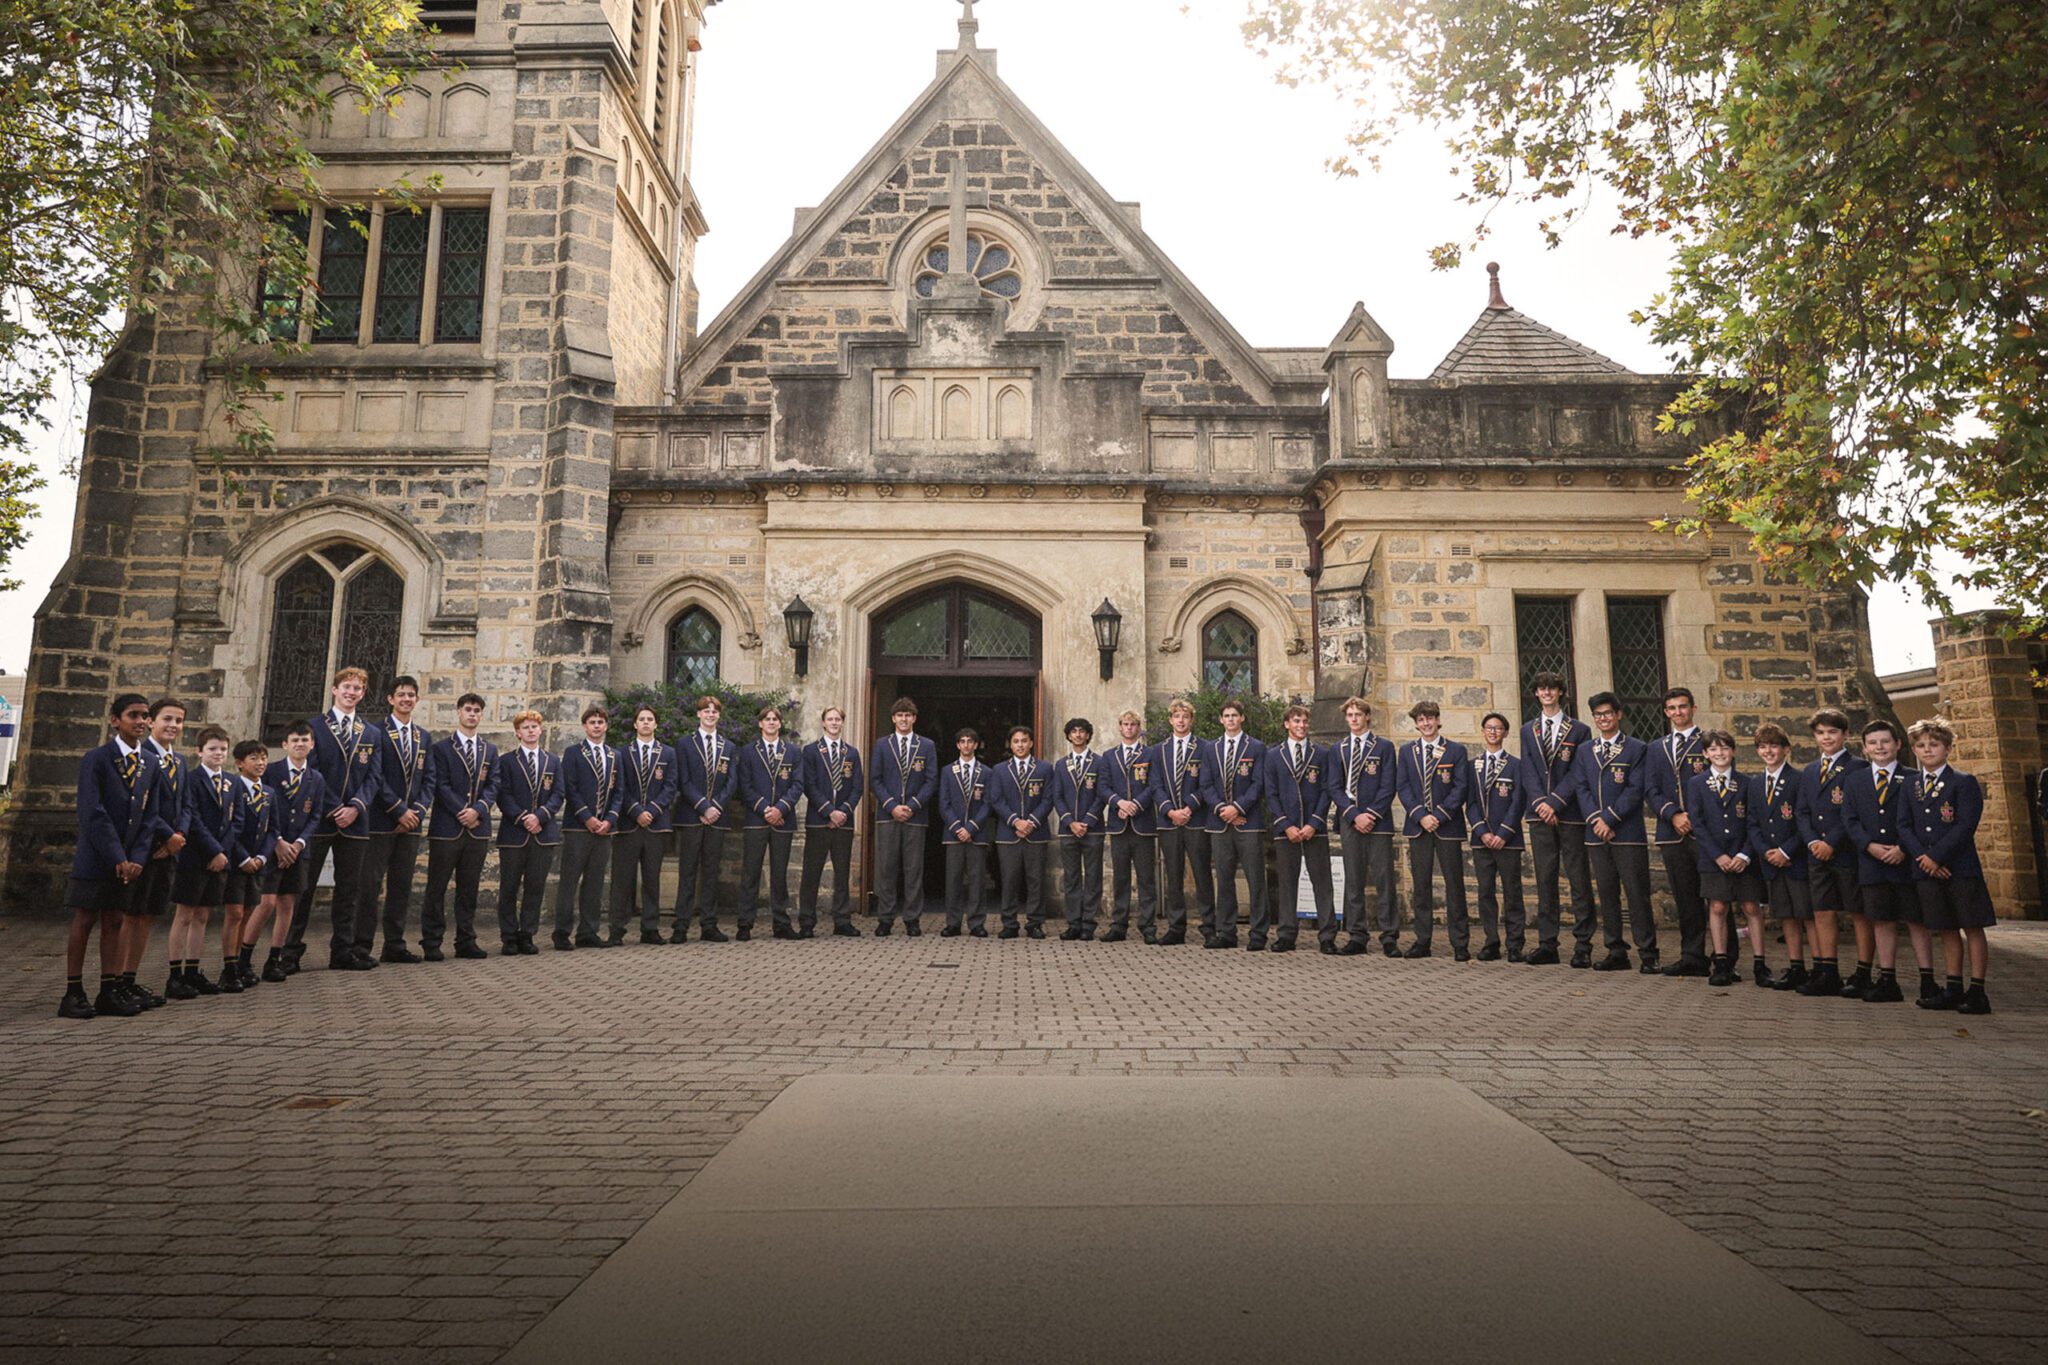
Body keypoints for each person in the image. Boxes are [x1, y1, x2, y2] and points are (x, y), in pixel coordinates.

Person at [58, 694, 160, 1020]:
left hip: (130, 859)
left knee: (115, 920)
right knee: (86, 918)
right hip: (98, 854)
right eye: (134, 715)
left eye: (145, 716)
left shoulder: (150, 763)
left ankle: (109, 988)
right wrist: (117, 854)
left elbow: (150, 815)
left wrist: (138, 858)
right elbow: (93, 811)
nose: (141, 721)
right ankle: (73, 991)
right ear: (115, 720)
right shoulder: (98, 758)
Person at [290, 667, 386, 973]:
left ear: (363, 693)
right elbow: (312, 771)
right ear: (334, 689)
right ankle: (290, 951)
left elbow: (374, 775)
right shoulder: (316, 727)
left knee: (349, 889)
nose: (351, 692)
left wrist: (356, 806)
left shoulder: (371, 733)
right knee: (303, 887)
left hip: (356, 821)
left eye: (357, 688)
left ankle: (342, 951)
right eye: (346, 687)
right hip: (320, 819)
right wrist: (335, 808)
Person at [1902, 719, 1994, 1015]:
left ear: (1948, 748)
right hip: (1926, 869)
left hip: (1959, 868)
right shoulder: (1912, 784)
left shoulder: (1963, 782)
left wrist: (1938, 857)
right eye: (1921, 745)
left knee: (1972, 926)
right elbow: (1903, 825)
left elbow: (1965, 825)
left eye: (1934, 744)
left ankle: (1977, 989)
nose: (1927, 750)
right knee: (1946, 928)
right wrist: (1924, 858)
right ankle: (1953, 986)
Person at [1841, 719, 1935, 1003]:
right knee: (1881, 921)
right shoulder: (1855, 780)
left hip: (1905, 860)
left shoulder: (1912, 778)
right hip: (1872, 861)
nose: (1879, 747)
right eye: (1873, 743)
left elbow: (1921, 820)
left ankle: (1928, 980)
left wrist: (1903, 848)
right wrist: (1869, 846)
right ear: (1865, 748)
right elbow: (1850, 819)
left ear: (1897, 745)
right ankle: (1887, 979)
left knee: (1915, 920)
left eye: (1885, 742)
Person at [1570, 694, 1656, 972]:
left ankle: (1648, 952)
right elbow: (1581, 787)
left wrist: (1610, 818)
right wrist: (1596, 819)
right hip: (1596, 834)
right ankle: (1615, 950)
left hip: (1627, 833)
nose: (1603, 718)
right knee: (1607, 894)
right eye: (1598, 714)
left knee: (1636, 894)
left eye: (1607, 713)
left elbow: (1635, 788)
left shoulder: (1637, 748)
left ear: (1618, 715)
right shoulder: (1585, 751)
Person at [1519, 673, 1597, 966]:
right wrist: (1541, 803)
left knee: (1578, 879)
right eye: (1542, 689)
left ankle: (1583, 944)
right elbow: (1527, 769)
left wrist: (1556, 802)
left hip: (1570, 813)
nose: (1547, 692)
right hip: (1539, 815)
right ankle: (1547, 943)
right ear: (1536, 694)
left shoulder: (1579, 730)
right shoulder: (1529, 729)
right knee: (1545, 879)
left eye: (1552, 688)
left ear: (1561, 692)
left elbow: (1580, 771)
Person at [1793, 708, 1866, 998]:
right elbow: (1801, 812)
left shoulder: (1857, 768)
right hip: (1816, 853)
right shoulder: (1810, 770)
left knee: (1858, 913)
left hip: (1845, 851)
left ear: (1845, 734)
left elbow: (1853, 811)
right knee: (1822, 911)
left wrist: (1831, 842)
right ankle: (1828, 970)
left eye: (1832, 732)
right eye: (1821, 733)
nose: (1827, 738)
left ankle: (1863, 970)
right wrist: (1812, 842)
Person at [243, 723, 325, 980]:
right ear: (285, 745)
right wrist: (278, 841)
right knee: (266, 903)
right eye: (295, 740)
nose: (300, 744)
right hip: (272, 847)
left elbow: (316, 815)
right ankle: (243, 959)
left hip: (299, 851)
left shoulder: (316, 778)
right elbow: (264, 809)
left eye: (305, 740)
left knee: (288, 904)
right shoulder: (271, 772)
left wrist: (299, 844)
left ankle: (273, 959)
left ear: (312, 745)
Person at [121, 697, 188, 1009]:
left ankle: (131, 978)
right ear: (151, 722)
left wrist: (179, 836)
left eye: (178, 721)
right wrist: (166, 835)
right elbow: (142, 803)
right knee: (131, 916)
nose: (172, 726)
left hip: (170, 849)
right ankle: (117, 980)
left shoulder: (181, 761)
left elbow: (185, 805)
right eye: (167, 719)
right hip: (146, 847)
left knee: (147, 916)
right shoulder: (142, 755)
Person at [165, 726, 241, 1001]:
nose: (218, 754)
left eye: (222, 749)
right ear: (200, 751)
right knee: (184, 914)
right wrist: (212, 851)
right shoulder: (192, 779)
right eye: (212, 749)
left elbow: (237, 821)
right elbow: (193, 818)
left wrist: (222, 852)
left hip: (219, 859)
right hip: (195, 856)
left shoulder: (232, 782)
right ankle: (175, 974)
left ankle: (193, 970)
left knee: (203, 915)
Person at [1688, 729, 1768, 988]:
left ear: (1733, 751)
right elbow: (1697, 824)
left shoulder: (1748, 783)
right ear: (1705, 754)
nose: (1719, 753)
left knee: (1751, 907)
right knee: (1718, 907)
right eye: (1713, 749)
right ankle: (1721, 962)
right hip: (1714, 858)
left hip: (1744, 856)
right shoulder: (1697, 784)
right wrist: (1718, 855)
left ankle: (1760, 963)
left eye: (1724, 748)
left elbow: (1754, 822)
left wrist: (1745, 854)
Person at [1395, 700, 1471, 960]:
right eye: (1421, 719)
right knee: (1421, 886)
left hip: (1447, 826)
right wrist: (1420, 816)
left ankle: (1460, 943)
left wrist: (1438, 815)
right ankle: (1422, 941)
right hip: (1418, 827)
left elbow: (1460, 787)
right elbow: (1402, 787)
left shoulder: (1456, 750)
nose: (1426, 723)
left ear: (1438, 720)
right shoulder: (1406, 752)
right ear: (1416, 723)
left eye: (1430, 718)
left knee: (1454, 885)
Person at [421, 695, 495, 960]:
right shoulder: (442, 748)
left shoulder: (489, 750)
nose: (472, 714)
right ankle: (431, 941)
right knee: (437, 887)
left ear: (481, 715)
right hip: (447, 827)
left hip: (477, 829)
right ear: (458, 712)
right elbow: (438, 784)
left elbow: (493, 785)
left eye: (477, 710)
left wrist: (479, 810)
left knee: (469, 887)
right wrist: (461, 811)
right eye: (468, 710)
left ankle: (466, 940)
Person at [364, 676, 431, 964]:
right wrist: (397, 809)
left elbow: (429, 779)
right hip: (381, 821)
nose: (406, 699)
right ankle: (361, 945)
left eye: (411, 695)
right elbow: (375, 777)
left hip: (411, 824)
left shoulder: (423, 736)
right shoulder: (376, 732)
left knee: (401, 885)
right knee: (369, 885)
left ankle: (394, 944)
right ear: (390, 699)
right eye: (401, 694)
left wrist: (417, 811)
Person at [1645, 687, 1710, 977]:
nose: (1677, 713)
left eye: (1682, 707)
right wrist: (1673, 815)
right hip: (1672, 832)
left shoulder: (1709, 742)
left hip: (1704, 833)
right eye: (1671, 708)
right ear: (1666, 712)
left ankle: (1724, 957)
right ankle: (1692, 955)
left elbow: (1716, 785)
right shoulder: (1657, 747)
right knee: (1685, 898)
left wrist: (1693, 818)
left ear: (1693, 708)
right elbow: (1652, 789)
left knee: (1718, 899)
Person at [1262, 704, 1336, 954]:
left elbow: (1327, 791)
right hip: (1287, 830)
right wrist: (1286, 824)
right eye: (1296, 721)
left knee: (1322, 883)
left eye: (1304, 721)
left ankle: (1327, 935)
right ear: (1287, 724)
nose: (1301, 725)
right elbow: (1271, 794)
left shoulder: (1321, 754)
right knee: (1286, 883)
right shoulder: (1273, 756)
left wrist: (1314, 823)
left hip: (1314, 829)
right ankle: (1286, 934)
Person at [1332, 697, 1398, 957]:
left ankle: (1389, 936)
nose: (1354, 719)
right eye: (1350, 715)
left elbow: (1388, 784)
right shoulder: (1339, 748)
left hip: (1377, 822)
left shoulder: (1383, 747)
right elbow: (1333, 786)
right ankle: (1357, 935)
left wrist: (1369, 814)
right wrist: (1352, 814)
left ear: (1368, 717)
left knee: (1384, 880)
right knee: (1353, 880)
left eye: (1358, 714)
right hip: (1350, 821)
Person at [1748, 725, 1812, 992]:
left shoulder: (1799, 780)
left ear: (1786, 749)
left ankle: (1821, 966)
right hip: (1771, 860)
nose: (1768, 751)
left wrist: (1786, 851)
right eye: (1763, 747)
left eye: (1774, 746)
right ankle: (1796, 965)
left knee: (1807, 914)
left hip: (1794, 858)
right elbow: (1752, 823)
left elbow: (1803, 820)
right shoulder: (1754, 783)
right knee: (1785, 915)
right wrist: (1766, 851)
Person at [1199, 700, 1267, 950]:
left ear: (1242, 719)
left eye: (1234, 715)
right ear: (1220, 720)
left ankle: (1258, 934)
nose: (1230, 719)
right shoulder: (1210, 748)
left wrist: (1237, 808)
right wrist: (1221, 810)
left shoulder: (1257, 747)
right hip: (1219, 824)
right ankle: (1226, 932)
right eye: (1226, 715)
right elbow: (1205, 784)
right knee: (1224, 879)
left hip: (1248, 822)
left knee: (1256, 879)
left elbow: (1258, 784)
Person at [495, 710, 563, 956]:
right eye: (525, 727)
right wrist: (524, 817)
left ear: (541, 730)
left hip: (543, 833)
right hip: (514, 833)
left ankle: (527, 934)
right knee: (509, 887)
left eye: (534, 726)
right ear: (517, 732)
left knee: (535, 887)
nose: (531, 730)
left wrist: (541, 816)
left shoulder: (552, 761)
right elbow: (503, 794)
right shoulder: (506, 762)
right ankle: (509, 936)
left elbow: (558, 793)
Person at [869, 697, 937, 936]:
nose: (904, 719)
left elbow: (931, 780)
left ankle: (912, 919)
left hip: (915, 817)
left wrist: (912, 805)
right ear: (893, 719)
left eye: (908, 715)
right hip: (888, 816)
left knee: (913, 869)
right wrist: (892, 806)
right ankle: (885, 919)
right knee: (886, 868)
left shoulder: (926, 745)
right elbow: (874, 779)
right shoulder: (881, 745)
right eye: (900, 715)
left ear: (914, 718)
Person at [555, 704, 620, 950]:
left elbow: (619, 791)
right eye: (592, 723)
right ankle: (562, 932)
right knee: (569, 881)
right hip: (578, 827)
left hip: (604, 829)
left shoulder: (615, 755)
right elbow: (569, 788)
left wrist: (609, 820)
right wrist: (587, 818)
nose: (596, 726)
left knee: (594, 882)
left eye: (600, 722)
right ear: (585, 727)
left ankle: (588, 931)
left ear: (606, 726)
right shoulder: (573, 753)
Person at [1148, 699, 1212, 947]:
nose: (1181, 720)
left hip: (1195, 820)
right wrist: (1169, 810)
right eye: (1177, 716)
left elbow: (1206, 784)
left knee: (1202, 874)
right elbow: (1155, 785)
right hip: (1169, 822)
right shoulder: (1158, 750)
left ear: (1191, 720)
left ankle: (1209, 926)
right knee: (1172, 875)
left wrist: (1188, 808)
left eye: (1185, 716)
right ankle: (1176, 927)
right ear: (1170, 720)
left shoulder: (1205, 748)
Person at [735, 704, 802, 940]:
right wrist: (765, 808)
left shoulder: (792, 752)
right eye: (767, 719)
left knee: (779, 873)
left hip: (783, 820)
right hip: (756, 819)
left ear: (780, 724)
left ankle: (782, 923)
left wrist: (780, 808)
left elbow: (797, 784)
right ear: (760, 724)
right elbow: (745, 785)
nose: (771, 722)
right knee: (750, 872)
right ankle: (745, 923)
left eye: (775, 719)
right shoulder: (749, 752)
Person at [611, 704, 676, 945]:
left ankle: (650, 928)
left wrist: (652, 811)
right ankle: (617, 929)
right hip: (629, 824)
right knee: (622, 878)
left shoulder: (668, 753)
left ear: (656, 724)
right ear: (635, 724)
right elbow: (620, 788)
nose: (646, 722)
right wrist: (637, 810)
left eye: (650, 719)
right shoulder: (622, 754)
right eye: (642, 719)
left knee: (652, 878)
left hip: (656, 825)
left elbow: (671, 785)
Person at [674, 694, 736, 942]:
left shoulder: (728, 747)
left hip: (717, 818)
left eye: (714, 712)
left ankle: (709, 924)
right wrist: (702, 806)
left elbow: (732, 781)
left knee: (711, 872)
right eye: (706, 711)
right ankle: (681, 925)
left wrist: (715, 807)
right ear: (698, 714)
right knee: (687, 871)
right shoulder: (684, 744)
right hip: (692, 816)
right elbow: (683, 779)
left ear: (719, 715)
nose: (710, 715)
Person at [1465, 712, 1526, 963]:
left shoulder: (1516, 765)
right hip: (1482, 840)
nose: (1493, 732)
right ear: (1483, 731)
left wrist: (1502, 833)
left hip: (1508, 840)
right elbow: (1470, 803)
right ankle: (1491, 942)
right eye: (1489, 728)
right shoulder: (1473, 766)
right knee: (1485, 892)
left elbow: (1518, 801)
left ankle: (1515, 944)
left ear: (1505, 733)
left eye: (1498, 728)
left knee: (1512, 892)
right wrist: (1483, 831)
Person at [218, 739, 277, 993]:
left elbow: (273, 829)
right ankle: (228, 967)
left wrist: (263, 857)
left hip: (258, 861)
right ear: (240, 763)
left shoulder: (269, 793)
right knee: (235, 913)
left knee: (249, 912)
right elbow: (231, 828)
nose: (260, 762)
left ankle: (242, 961)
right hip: (236, 861)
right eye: (254, 758)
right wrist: (242, 858)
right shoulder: (232, 788)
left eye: (263, 757)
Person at [799, 705, 863, 938]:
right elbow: (809, 785)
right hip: (819, 821)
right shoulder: (812, 751)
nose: (834, 722)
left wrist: (843, 811)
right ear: (823, 723)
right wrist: (829, 811)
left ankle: (842, 920)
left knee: (842, 872)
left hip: (844, 822)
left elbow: (857, 787)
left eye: (838, 719)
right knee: (811, 872)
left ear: (842, 723)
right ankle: (807, 921)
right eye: (830, 719)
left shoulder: (852, 753)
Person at [989, 725, 1053, 939]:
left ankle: (1035, 923)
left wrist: (1031, 822)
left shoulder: (1044, 768)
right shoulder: (999, 770)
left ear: (1031, 743)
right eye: (1016, 741)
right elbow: (996, 800)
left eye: (1024, 741)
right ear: (1011, 744)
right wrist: (1016, 821)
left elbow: (1048, 799)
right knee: (1009, 880)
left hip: (1037, 833)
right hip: (1008, 834)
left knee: (1036, 880)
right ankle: (1009, 923)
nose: (1020, 745)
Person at [1101, 711, 1159, 943]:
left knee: (1146, 878)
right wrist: (1119, 803)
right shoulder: (1109, 756)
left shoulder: (1150, 754)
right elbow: (1103, 787)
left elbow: (1154, 785)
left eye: (1133, 724)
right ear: (1119, 727)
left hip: (1143, 824)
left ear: (1139, 728)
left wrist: (1136, 803)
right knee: (1121, 877)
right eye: (1125, 724)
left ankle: (1148, 925)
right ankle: (1119, 925)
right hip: (1118, 824)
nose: (1129, 728)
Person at [1050, 718, 1107, 941]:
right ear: (1068, 735)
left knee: (1093, 877)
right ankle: (1073, 922)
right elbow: (1057, 796)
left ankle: (1088, 923)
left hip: (1092, 829)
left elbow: (1102, 794)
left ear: (1088, 735)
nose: (1078, 735)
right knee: (1072, 877)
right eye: (1073, 731)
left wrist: (1087, 821)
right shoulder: (1061, 765)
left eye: (1082, 731)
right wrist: (1070, 822)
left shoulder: (1100, 762)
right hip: (1068, 830)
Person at [938, 728, 992, 936]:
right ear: (957, 745)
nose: (967, 745)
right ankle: (953, 922)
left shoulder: (986, 772)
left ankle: (977, 923)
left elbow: (988, 804)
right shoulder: (947, 771)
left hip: (977, 834)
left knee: (977, 880)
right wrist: (957, 827)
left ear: (976, 745)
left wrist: (971, 828)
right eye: (963, 741)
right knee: (953, 880)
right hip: (953, 835)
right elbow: (943, 803)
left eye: (971, 741)